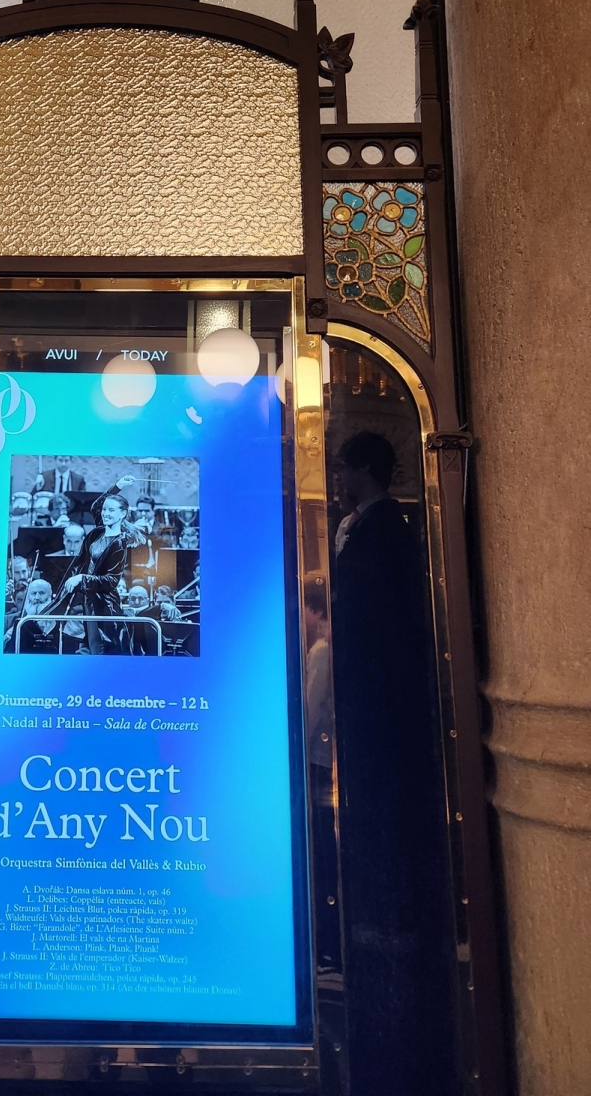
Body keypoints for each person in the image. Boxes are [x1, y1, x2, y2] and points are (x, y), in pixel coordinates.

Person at [329, 430, 450, 1093]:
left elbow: (382, 620)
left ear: (365, 470)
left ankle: (386, 923)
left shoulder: (387, 531)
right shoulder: (362, 526)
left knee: (380, 800)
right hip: (365, 689)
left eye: (343, 467)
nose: (337, 477)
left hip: (377, 695)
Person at [43, 474, 145, 655]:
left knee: (102, 651)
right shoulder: (99, 531)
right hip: (89, 600)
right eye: (105, 510)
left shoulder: (119, 543)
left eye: (111, 510)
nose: (105, 513)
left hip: (104, 606)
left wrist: (81, 578)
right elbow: (96, 506)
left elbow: (111, 581)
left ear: (122, 514)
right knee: (91, 647)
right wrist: (118, 486)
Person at [5, 579, 59, 654]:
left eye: (42, 593)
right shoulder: (8, 620)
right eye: (33, 593)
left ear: (50, 595)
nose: (37, 597)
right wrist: (6, 638)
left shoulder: (59, 620)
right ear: (28, 597)